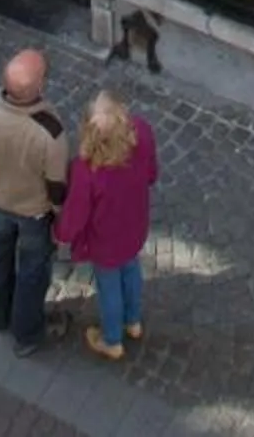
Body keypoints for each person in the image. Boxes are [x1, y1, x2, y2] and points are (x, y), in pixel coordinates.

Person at [0, 46, 68, 356]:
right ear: (39, 87)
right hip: (33, 212)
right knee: (33, 269)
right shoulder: (50, 132)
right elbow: (56, 186)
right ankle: (26, 333)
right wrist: (58, 216)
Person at [55, 87, 159, 361]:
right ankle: (133, 322)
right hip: (134, 226)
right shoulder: (143, 133)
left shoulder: (86, 170)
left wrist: (60, 234)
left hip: (105, 240)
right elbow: (151, 173)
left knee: (109, 287)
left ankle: (112, 340)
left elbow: (75, 215)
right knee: (132, 270)